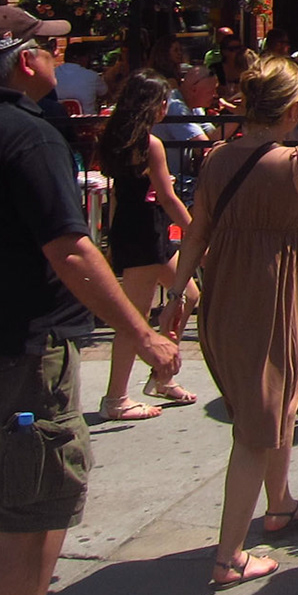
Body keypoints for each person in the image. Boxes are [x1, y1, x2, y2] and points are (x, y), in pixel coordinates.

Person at [0, 6, 184, 595]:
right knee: (16, 524)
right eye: (49, 45)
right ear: (24, 61)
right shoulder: (23, 135)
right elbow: (71, 249)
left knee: (40, 504)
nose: (58, 52)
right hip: (19, 355)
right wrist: (144, 333)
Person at [158, 55, 298, 589]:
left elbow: (197, 232)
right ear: (295, 108)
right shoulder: (295, 162)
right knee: (256, 424)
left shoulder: (219, 158)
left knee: (280, 398)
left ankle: (281, 503)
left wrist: (176, 297)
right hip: (270, 290)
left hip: (226, 288)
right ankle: (228, 556)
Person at [95, 70, 203, 420]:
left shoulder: (115, 137)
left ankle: (162, 373)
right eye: (163, 102)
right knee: (135, 319)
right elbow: (170, 199)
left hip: (136, 227)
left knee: (189, 295)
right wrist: (196, 233)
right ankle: (115, 399)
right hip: (144, 231)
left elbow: (117, 193)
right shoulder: (149, 143)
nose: (165, 108)